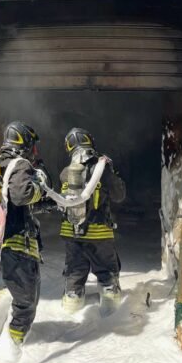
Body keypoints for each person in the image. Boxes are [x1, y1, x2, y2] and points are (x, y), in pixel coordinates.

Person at [0, 121, 49, 347]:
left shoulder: (1, 164)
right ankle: (12, 347)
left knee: (17, 294)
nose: (35, 152)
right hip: (18, 245)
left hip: (3, 243)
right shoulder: (20, 164)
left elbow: (12, 203)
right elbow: (21, 195)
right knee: (26, 303)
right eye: (33, 146)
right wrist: (40, 188)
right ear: (25, 143)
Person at [59, 127, 126, 314]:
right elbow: (119, 195)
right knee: (106, 270)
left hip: (71, 232)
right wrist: (114, 173)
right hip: (99, 233)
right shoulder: (103, 168)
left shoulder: (66, 172)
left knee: (74, 270)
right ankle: (110, 310)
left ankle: (71, 305)